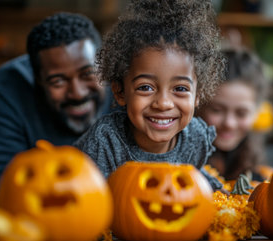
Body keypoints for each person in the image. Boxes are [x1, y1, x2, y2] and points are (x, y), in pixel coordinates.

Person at [73, 0, 226, 191]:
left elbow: (194, 178)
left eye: (180, 89)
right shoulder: (106, 141)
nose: (163, 103)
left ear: (198, 94)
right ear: (120, 92)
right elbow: (89, 199)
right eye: (146, 87)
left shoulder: (194, 137)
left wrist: (225, 195)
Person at [0, 12, 110, 190]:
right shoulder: (7, 87)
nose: (77, 93)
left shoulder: (130, 84)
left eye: (88, 74)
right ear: (38, 81)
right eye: (58, 81)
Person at [197, 47, 272, 182]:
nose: (229, 123)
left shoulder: (256, 173)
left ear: (256, 112)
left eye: (241, 113)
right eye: (216, 110)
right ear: (199, 104)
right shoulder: (183, 165)